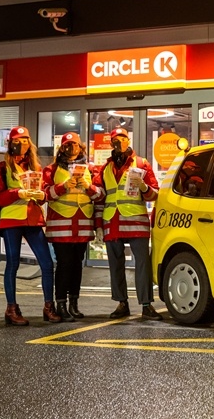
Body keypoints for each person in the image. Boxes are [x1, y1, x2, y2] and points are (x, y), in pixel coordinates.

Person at [0, 126, 61, 325]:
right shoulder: (2, 168)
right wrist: (17, 194)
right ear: (10, 143)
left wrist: (42, 196)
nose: (21, 144)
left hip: (33, 219)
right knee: (12, 264)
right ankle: (11, 309)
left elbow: (41, 195)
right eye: (17, 140)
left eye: (25, 140)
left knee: (47, 264)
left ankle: (49, 307)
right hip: (12, 220)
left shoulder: (36, 168)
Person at [93, 128, 162, 320]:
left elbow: (155, 193)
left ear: (128, 140)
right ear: (111, 143)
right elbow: (100, 199)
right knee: (115, 265)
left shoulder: (141, 163)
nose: (119, 142)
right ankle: (121, 303)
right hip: (112, 221)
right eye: (116, 139)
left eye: (123, 138)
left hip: (136, 222)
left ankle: (146, 305)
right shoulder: (105, 168)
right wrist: (98, 225)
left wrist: (144, 187)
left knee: (142, 264)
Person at [42, 132, 104, 321]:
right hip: (61, 226)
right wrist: (62, 187)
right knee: (64, 264)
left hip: (83, 224)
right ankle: (60, 304)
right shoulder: (51, 170)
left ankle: (73, 304)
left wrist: (88, 186)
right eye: (67, 145)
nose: (71, 148)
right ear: (62, 148)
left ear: (81, 147)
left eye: (75, 144)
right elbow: (43, 194)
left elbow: (100, 196)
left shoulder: (91, 170)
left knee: (77, 265)